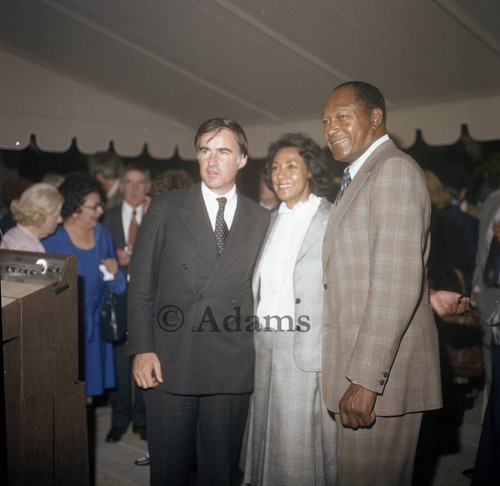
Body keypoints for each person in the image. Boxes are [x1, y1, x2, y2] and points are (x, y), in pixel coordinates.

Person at [127, 118, 270, 485]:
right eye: (205, 150)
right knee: (169, 472)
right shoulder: (166, 207)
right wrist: (142, 349)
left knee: (220, 474)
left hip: (231, 365)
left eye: (223, 151)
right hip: (171, 362)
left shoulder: (261, 218)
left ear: (242, 159)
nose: (212, 160)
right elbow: (141, 285)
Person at [320, 81, 442, 485]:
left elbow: (395, 283)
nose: (330, 128)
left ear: (376, 118)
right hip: (363, 376)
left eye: (342, 116)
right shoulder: (361, 176)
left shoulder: (392, 171)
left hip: (376, 383)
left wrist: (366, 381)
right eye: (325, 121)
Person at [240, 133, 337, 485]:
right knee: (268, 448)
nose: (281, 174)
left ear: (311, 170)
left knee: (299, 455)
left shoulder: (332, 220)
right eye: (276, 167)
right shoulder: (270, 221)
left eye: (292, 166)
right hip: (264, 347)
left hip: (306, 352)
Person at [43, 172, 126, 400]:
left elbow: (117, 288)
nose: (100, 211)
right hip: (67, 331)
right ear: (75, 206)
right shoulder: (52, 241)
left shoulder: (103, 236)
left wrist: (116, 272)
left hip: (97, 330)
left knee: (88, 396)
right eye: (94, 206)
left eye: (101, 205)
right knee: (69, 395)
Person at [101, 163, 151, 444]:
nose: (134, 188)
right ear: (121, 187)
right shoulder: (106, 218)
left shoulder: (157, 216)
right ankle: (119, 420)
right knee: (120, 364)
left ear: (148, 186)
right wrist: (110, 265)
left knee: (145, 358)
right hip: (118, 299)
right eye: (129, 182)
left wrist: (137, 259)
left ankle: (143, 421)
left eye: (140, 182)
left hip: (148, 300)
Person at [470, 187, 500, 485]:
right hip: (491, 304)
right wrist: (476, 293)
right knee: (493, 383)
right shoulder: (493, 199)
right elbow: (482, 251)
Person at [0, 183, 63, 251]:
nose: (60, 220)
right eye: (56, 216)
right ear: (38, 216)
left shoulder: (13, 234)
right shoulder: (28, 248)